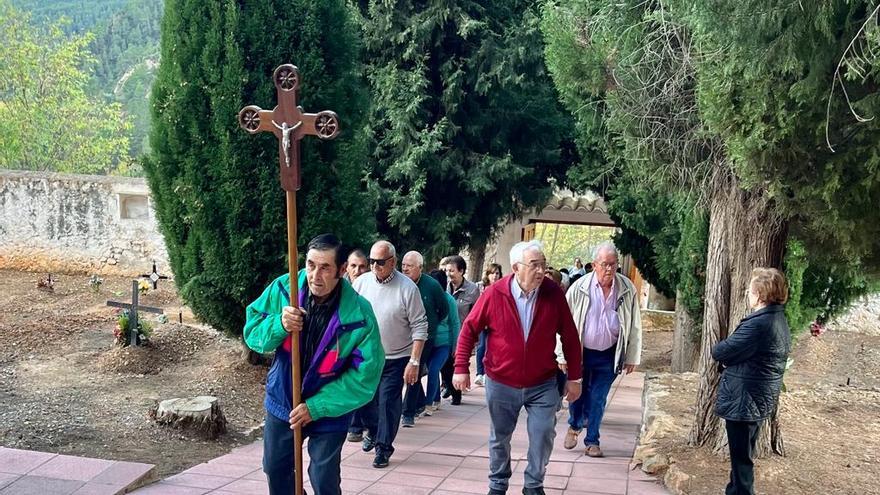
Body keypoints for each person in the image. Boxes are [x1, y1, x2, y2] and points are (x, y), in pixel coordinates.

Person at [243, 234, 384, 495]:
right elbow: (252, 333)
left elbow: (365, 376)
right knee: (275, 468)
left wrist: (316, 407)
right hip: (283, 400)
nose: (314, 275)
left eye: (325, 267)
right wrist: (279, 325)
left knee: (324, 478)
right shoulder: (284, 290)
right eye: (310, 265)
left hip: (331, 407)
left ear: (342, 270)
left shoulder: (360, 315)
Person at [453, 240, 583, 495]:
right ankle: (498, 483)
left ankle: (534, 484)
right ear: (516, 267)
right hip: (501, 380)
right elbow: (469, 329)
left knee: (543, 433)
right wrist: (460, 367)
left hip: (543, 381)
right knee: (500, 437)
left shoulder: (553, 293)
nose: (541, 271)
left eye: (543, 265)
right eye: (534, 265)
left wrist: (575, 377)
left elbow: (569, 336)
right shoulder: (494, 293)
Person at [713, 268, 791, 495]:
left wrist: (729, 361)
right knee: (741, 460)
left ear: (759, 295)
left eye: (750, 290)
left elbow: (721, 351)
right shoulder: (778, 319)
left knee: (741, 463)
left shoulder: (759, 324)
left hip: (744, 400)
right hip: (756, 398)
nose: (748, 294)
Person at [560, 241, 642, 457]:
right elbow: (563, 323)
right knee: (576, 393)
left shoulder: (627, 288)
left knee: (598, 397)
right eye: (605, 264)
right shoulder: (579, 288)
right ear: (594, 264)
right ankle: (574, 425)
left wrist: (632, 355)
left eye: (613, 265)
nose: (609, 269)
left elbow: (634, 325)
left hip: (609, 353)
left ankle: (592, 440)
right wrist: (561, 354)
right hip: (580, 352)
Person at [351, 240, 428, 468]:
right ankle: (374, 431)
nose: (374, 266)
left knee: (387, 402)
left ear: (393, 262)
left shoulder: (407, 288)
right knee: (364, 401)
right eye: (371, 261)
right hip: (367, 357)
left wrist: (414, 361)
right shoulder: (361, 283)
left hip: (396, 358)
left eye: (380, 262)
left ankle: (383, 448)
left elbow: (420, 326)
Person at [400, 250, 448, 427]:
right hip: (402, 336)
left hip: (424, 337)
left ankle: (407, 413)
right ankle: (419, 402)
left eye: (409, 266)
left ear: (420, 268)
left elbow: (443, 310)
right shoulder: (399, 283)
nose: (405, 269)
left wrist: (431, 325)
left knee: (415, 370)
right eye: (403, 265)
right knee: (404, 372)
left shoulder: (431, 285)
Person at [441, 255, 480, 405]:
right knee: (445, 362)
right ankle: (448, 385)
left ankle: (456, 394)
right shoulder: (444, 287)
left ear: (461, 271)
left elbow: (476, 313)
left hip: (464, 332)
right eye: (447, 270)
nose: (449, 274)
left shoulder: (472, 290)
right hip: (446, 331)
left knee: (456, 361)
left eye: (452, 270)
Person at [425, 269, 461, 413]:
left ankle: (428, 404)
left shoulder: (449, 300)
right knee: (431, 371)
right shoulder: (427, 297)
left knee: (434, 370)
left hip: (444, 344)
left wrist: (455, 346)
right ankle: (436, 399)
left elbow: (455, 323)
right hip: (428, 342)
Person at [474, 263, 503, 386]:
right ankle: (479, 373)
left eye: (497, 273)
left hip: (496, 322)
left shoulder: (503, 287)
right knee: (481, 347)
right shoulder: (480, 287)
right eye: (492, 273)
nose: (495, 276)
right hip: (482, 321)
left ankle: (488, 373)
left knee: (491, 347)